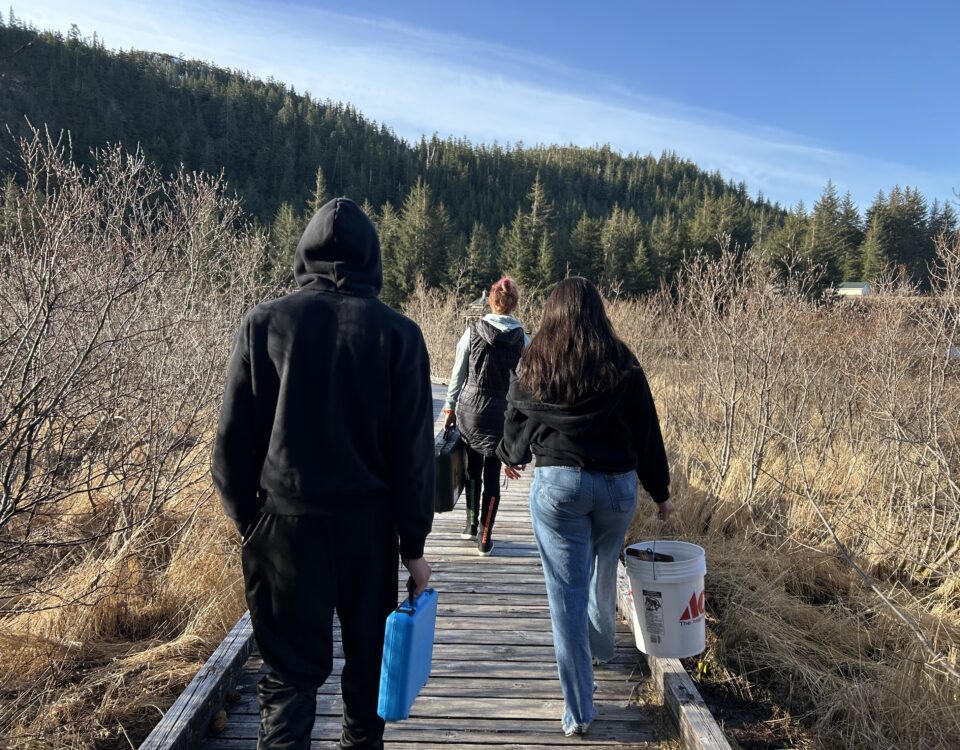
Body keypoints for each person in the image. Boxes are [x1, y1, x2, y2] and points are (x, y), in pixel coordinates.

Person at [212, 198, 434, 750]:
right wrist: (414, 547)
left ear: (304, 253)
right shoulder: (399, 335)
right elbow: (413, 455)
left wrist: (251, 523)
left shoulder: (264, 323)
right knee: (367, 682)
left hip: (285, 529)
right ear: (373, 259)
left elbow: (231, 444)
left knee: (288, 682)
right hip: (369, 533)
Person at [496, 277, 673, 737]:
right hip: (616, 489)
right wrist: (662, 491)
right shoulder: (622, 360)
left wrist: (510, 455)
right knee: (603, 564)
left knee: (564, 597)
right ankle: (602, 647)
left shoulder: (536, 359)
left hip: (560, 488)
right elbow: (647, 429)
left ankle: (579, 711)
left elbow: (516, 419)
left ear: (551, 313)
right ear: (598, 311)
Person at [443, 277, 528, 555]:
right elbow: (526, 384)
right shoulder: (523, 339)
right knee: (492, 476)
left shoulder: (472, 332)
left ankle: (469, 525)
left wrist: (449, 407)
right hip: (503, 414)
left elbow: (458, 374)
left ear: (491, 301)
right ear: (514, 303)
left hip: (471, 412)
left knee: (471, 470)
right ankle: (485, 537)